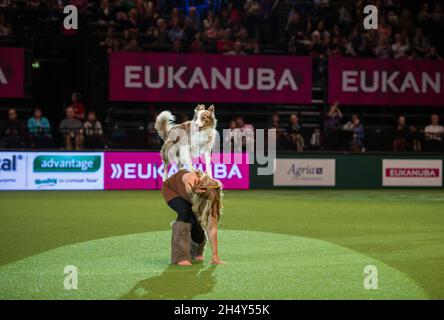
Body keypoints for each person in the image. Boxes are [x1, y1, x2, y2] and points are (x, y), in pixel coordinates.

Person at [162, 169, 224, 266]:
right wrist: (192, 190)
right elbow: (188, 187)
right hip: (172, 190)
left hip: (191, 197)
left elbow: (212, 228)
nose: (208, 204)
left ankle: (196, 251)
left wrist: (215, 255)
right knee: (184, 212)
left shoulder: (213, 198)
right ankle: (179, 257)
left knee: (195, 220)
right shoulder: (192, 178)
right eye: (206, 200)